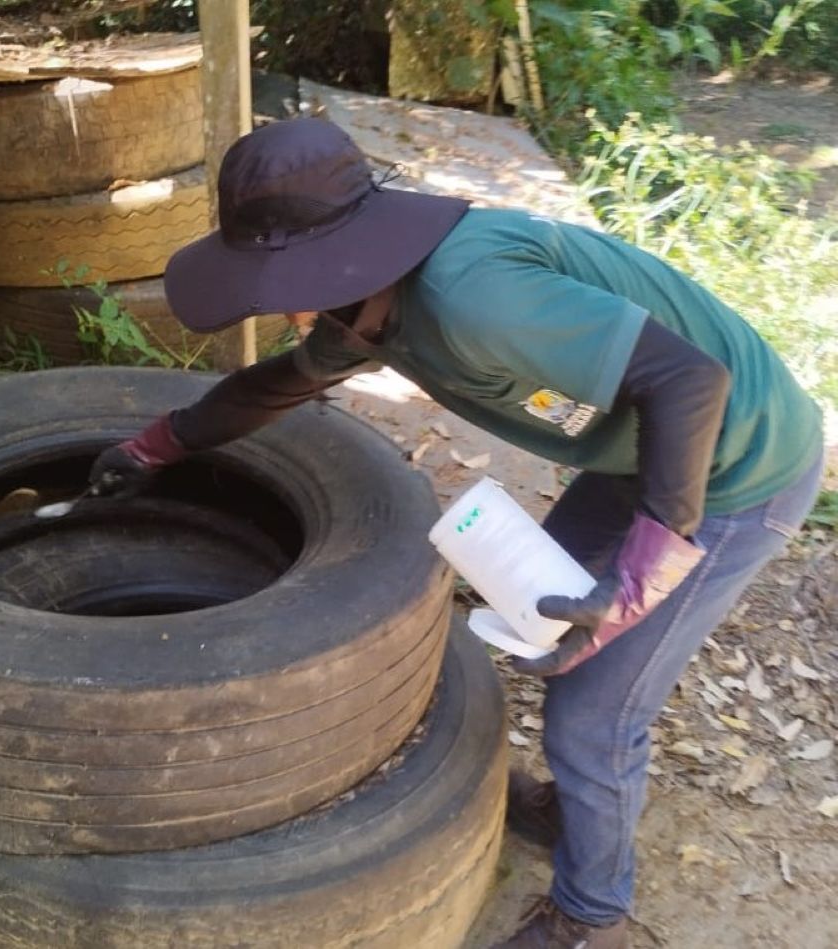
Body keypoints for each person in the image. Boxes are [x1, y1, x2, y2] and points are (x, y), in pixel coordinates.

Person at [88, 117, 824, 948]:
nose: (280, 303)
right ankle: (568, 806)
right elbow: (276, 386)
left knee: (595, 708)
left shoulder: (477, 302)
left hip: (738, 469)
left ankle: (592, 915)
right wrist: (158, 445)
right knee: (546, 618)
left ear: (344, 258)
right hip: (638, 455)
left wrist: (642, 576)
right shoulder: (368, 307)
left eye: (281, 280)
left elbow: (693, 382)